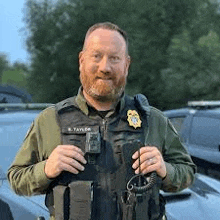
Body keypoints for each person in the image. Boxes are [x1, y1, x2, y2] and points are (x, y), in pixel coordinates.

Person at [7, 22, 196, 220]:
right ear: (81, 60)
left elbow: (187, 172)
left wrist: (165, 170)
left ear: (126, 64)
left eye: (114, 58)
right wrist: (46, 169)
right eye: (96, 56)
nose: (105, 67)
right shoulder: (50, 120)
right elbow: (16, 178)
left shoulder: (153, 120)